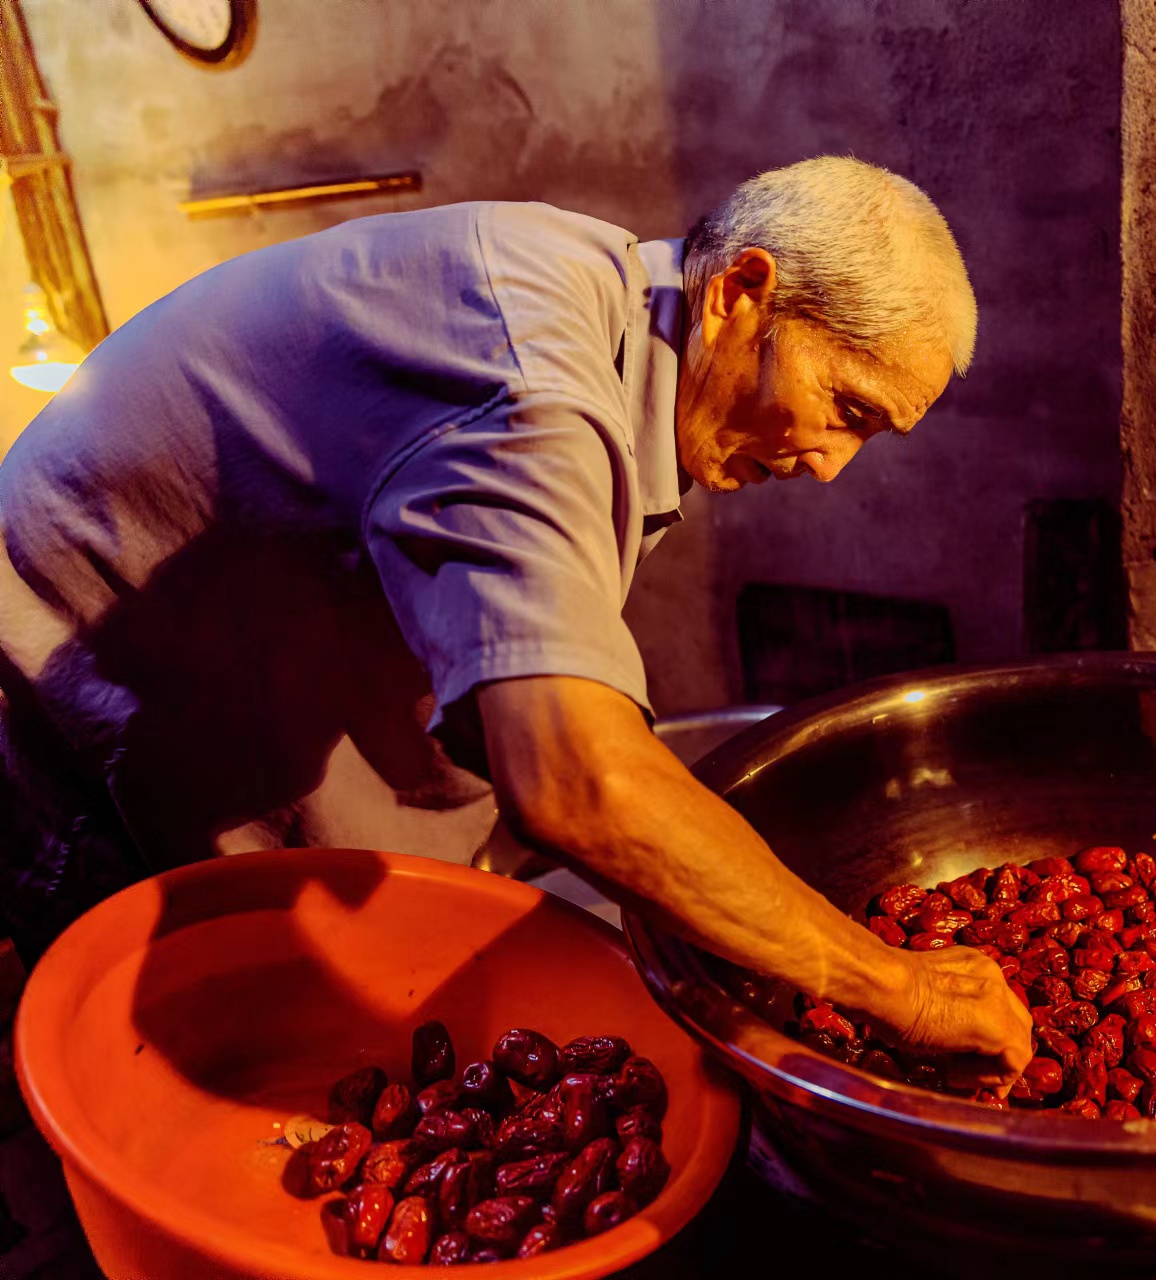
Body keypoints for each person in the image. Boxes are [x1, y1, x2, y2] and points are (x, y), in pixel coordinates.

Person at [0, 156, 1032, 1087]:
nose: (830, 467)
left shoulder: (609, 309)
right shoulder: (529, 379)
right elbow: (578, 782)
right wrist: (896, 986)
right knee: (140, 1079)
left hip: (220, 681)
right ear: (741, 292)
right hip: (60, 718)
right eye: (844, 407)